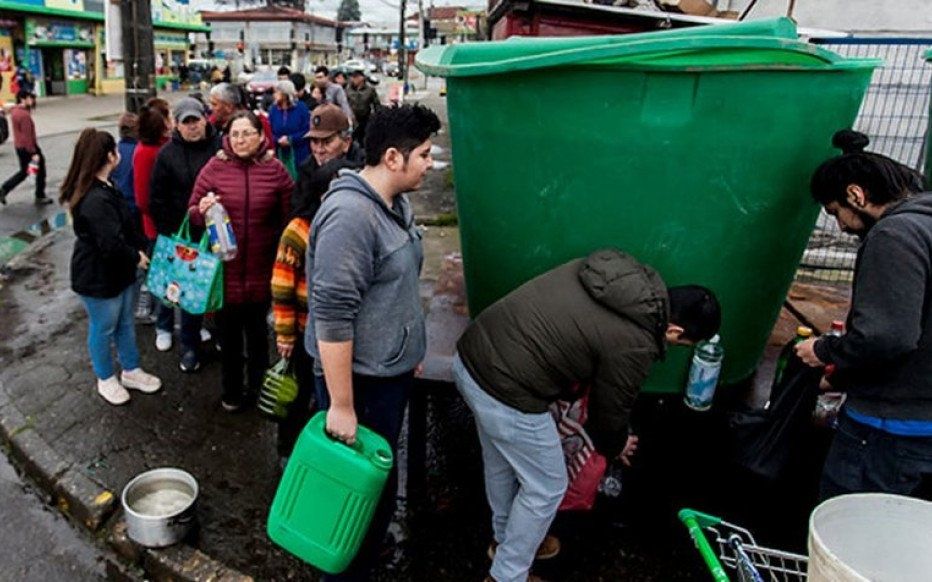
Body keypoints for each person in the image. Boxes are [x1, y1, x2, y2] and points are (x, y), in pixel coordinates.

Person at [454, 249, 721, 582]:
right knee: (547, 487)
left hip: (471, 357)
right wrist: (617, 444)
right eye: (682, 344)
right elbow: (609, 412)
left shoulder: (615, 277)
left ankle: (507, 539)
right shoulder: (636, 341)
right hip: (506, 390)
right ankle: (507, 574)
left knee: (501, 460)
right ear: (674, 330)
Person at [306, 104, 440, 580]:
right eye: (423, 154)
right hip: (359, 383)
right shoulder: (349, 218)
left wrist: (408, 351)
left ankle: (360, 560)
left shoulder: (394, 205)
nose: (431, 163)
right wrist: (342, 406)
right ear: (391, 157)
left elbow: (393, 290)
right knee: (357, 493)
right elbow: (333, 316)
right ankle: (345, 572)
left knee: (377, 489)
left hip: (387, 372)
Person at [796, 129, 932, 501]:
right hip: (923, 423)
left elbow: (888, 336)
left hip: (890, 428)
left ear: (856, 195)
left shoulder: (895, 235)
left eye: (836, 212)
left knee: (852, 525)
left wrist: (824, 351)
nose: (839, 225)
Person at [189, 111, 293, 411]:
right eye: (235, 134)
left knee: (260, 338)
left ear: (261, 135)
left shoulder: (275, 170)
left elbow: (289, 217)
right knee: (230, 341)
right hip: (226, 273)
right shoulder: (214, 168)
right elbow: (193, 212)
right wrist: (202, 208)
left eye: (247, 133)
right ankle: (231, 393)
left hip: (263, 271)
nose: (240, 140)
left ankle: (258, 390)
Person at [59, 128, 162, 405]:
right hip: (97, 278)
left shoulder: (106, 186)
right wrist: (136, 257)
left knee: (125, 323)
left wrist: (138, 248)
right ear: (109, 156)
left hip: (119, 274)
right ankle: (105, 378)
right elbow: (110, 243)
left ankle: (131, 369)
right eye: (115, 150)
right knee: (103, 328)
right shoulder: (95, 198)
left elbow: (125, 228)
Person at [149, 98, 222, 372]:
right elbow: (157, 199)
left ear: (206, 119)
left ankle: (221, 336)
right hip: (186, 238)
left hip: (219, 232)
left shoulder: (220, 148)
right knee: (188, 296)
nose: (192, 127)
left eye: (196, 120)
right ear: (176, 125)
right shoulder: (167, 155)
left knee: (220, 290)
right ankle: (189, 346)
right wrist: (173, 236)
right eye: (186, 122)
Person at [294, 104, 365, 213]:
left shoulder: (364, 166)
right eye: (314, 141)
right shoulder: (306, 169)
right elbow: (299, 211)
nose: (319, 150)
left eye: (327, 142)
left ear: (346, 142)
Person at [0, 90, 51, 206]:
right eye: (29, 98)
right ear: (23, 99)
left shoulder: (16, 112)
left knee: (24, 172)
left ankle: (4, 189)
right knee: (40, 170)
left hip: (20, 147)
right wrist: (34, 153)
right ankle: (40, 195)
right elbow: (28, 135)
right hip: (29, 147)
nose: (31, 100)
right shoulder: (24, 115)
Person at [208, 82, 273, 149]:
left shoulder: (258, 122)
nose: (210, 108)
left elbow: (269, 150)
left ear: (229, 107)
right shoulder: (211, 124)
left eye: (214, 104)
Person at [268, 80, 311, 170]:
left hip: (299, 153)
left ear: (285, 94)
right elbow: (269, 131)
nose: (274, 95)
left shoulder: (301, 108)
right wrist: (278, 140)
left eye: (276, 92)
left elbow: (307, 130)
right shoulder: (273, 110)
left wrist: (290, 139)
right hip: (280, 153)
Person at [346, 68, 381, 146]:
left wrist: (377, 117)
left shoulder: (370, 90)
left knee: (365, 139)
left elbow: (376, 104)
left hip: (365, 118)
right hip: (352, 119)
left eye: (356, 77)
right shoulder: (348, 89)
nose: (353, 79)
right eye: (353, 77)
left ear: (362, 78)